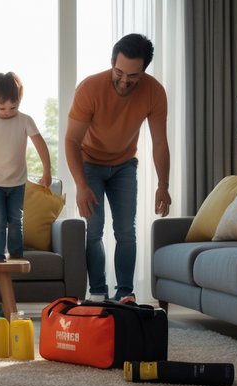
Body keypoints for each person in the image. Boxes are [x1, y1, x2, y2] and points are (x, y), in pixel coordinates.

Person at [64, 33, 171, 303]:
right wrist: (81, 185)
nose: (124, 81)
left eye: (133, 76)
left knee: (125, 230)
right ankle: (98, 292)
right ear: (112, 62)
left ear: (143, 70)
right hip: (90, 163)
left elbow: (160, 143)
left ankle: (125, 294)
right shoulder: (89, 88)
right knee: (95, 228)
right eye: (119, 72)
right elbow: (71, 140)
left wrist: (163, 185)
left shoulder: (154, 92)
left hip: (124, 165)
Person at [0, 71, 52, 262]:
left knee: (16, 221)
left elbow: (40, 143)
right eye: (2, 107)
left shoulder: (25, 120)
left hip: (17, 182)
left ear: (20, 100)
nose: (7, 112)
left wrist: (47, 169)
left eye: (13, 107)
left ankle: (16, 257)